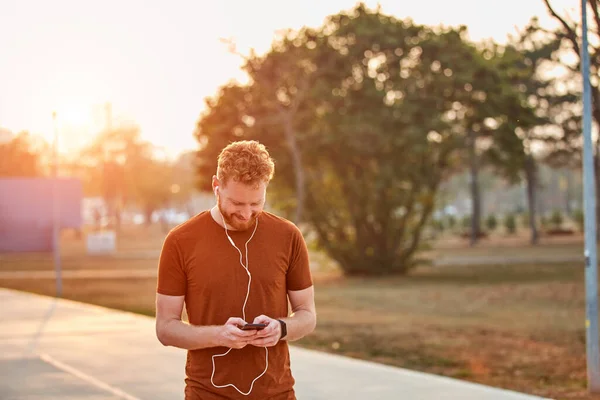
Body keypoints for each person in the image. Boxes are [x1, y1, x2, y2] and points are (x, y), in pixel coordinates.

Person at [155, 140, 316, 400]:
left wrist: (281, 328)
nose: (246, 214)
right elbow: (165, 328)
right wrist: (220, 335)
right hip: (206, 394)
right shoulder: (180, 241)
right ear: (216, 186)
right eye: (237, 203)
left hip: (277, 394)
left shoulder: (288, 236)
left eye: (256, 203)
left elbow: (307, 315)